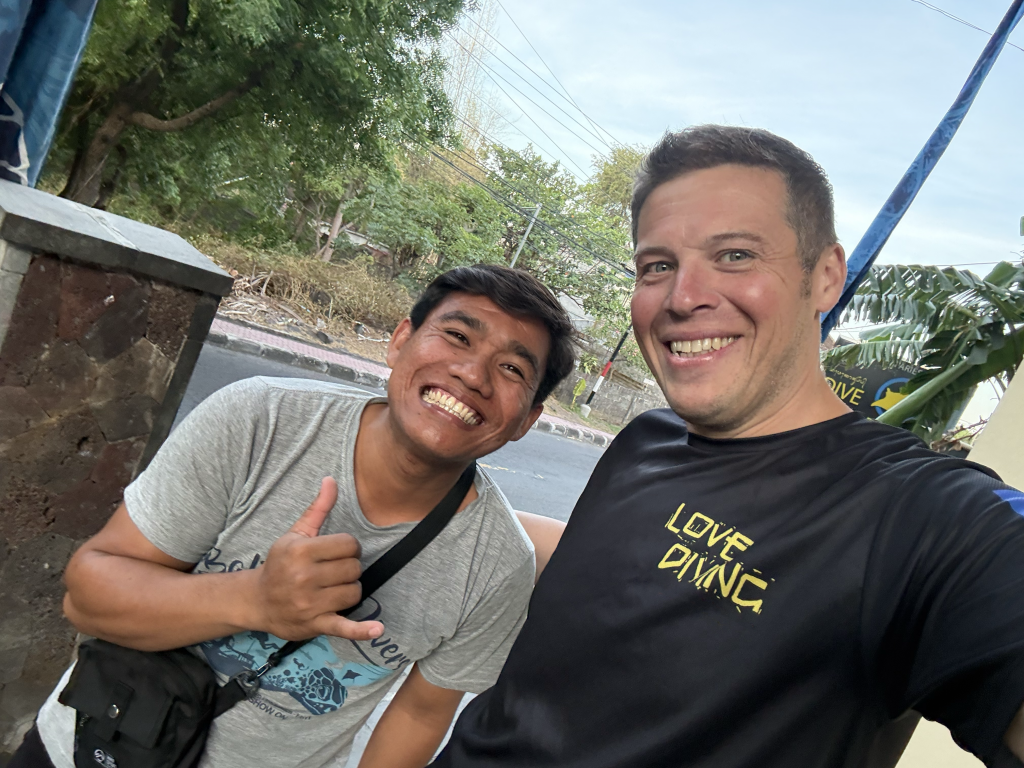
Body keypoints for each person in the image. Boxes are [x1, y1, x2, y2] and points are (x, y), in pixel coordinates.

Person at [434, 126, 1024, 768]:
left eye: (736, 255)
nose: (683, 297)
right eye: (657, 266)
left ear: (826, 276)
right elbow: (617, 572)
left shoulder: (924, 516)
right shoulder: (646, 437)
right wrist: (425, 525)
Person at [14, 264, 576, 768]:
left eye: (511, 368)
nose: (473, 374)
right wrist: (257, 600)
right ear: (400, 340)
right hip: (86, 749)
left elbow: (420, 713)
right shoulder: (260, 419)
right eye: (457, 336)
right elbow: (87, 598)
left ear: (527, 419)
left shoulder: (499, 565)